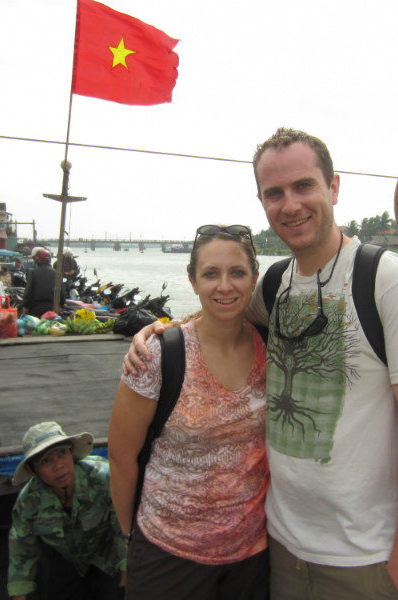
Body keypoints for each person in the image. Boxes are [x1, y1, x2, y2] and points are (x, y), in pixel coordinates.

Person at [125, 128, 398, 600]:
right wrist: (161, 330)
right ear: (261, 201)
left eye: (304, 186)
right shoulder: (275, 284)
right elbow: (220, 313)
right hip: (280, 545)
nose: (291, 205)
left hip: (367, 558)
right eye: (274, 193)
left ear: (333, 187)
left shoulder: (388, 282)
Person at [110, 225, 269, 600]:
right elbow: (120, 456)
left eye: (237, 273)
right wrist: (127, 536)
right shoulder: (158, 355)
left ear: (254, 279)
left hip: (252, 555)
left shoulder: (271, 346)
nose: (224, 286)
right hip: (168, 554)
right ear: (193, 282)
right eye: (210, 274)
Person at [7, 422, 126, 600]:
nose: (58, 466)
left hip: (108, 552)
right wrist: (20, 594)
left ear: (71, 452)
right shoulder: (28, 502)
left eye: (62, 454)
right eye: (45, 461)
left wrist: (126, 568)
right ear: (32, 471)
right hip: (66, 557)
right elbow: (21, 548)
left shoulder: (103, 478)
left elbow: (123, 527)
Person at [22, 248, 60, 317]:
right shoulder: (56, 273)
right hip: (52, 310)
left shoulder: (33, 272)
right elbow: (61, 293)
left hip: (35, 310)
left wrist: (25, 306)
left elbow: (28, 291)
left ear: (37, 260)